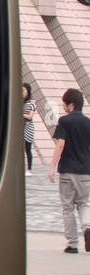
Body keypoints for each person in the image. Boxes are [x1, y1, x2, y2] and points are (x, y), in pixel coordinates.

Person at [48, 87, 90, 253]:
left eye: (64, 104)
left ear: (71, 105)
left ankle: (72, 244)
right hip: (86, 171)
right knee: (84, 203)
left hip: (67, 171)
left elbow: (60, 144)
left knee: (67, 208)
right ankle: (87, 227)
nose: (63, 106)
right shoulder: (88, 122)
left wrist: (52, 167)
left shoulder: (64, 121)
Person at [22, 82, 35, 175]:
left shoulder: (32, 102)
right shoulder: (18, 101)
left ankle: (29, 169)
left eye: (23, 90)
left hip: (28, 127)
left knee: (28, 148)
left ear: (28, 91)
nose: (22, 92)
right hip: (20, 127)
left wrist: (21, 114)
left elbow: (30, 116)